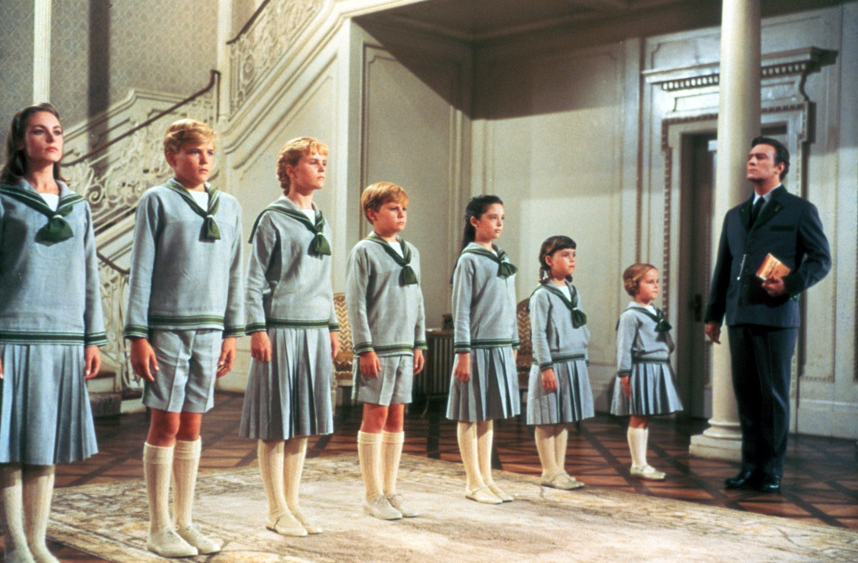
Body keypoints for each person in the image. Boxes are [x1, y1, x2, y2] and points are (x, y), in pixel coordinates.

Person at [125, 119, 244, 557]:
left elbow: (236, 270)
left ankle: (185, 521)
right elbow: (141, 269)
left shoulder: (229, 206)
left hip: (211, 329)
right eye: (194, 152)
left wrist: (232, 332)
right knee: (166, 423)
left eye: (209, 152)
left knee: (193, 425)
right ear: (171, 156)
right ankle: (158, 527)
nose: (204, 160)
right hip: (167, 328)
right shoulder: (157, 201)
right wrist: (138, 335)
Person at [0, 103, 106, 563]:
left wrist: (92, 338)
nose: (51, 139)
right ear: (20, 141)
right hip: (13, 335)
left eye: (57, 131)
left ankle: (38, 541)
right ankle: (14, 544)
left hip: (63, 338)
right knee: (9, 445)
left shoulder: (78, 205)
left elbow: (89, 273)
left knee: (45, 444)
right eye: (40, 131)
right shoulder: (4, 199)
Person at [705, 136, 830, 493]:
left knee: (772, 397)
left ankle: (771, 471)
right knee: (746, 396)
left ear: (780, 167)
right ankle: (750, 469)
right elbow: (724, 267)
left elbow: (821, 260)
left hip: (775, 316)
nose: (752, 161)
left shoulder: (799, 210)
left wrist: (791, 284)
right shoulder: (735, 215)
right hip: (739, 314)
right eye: (750, 156)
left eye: (761, 157)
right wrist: (714, 315)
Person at [240, 137, 338, 536]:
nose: (321, 168)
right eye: (313, 162)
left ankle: (292, 504)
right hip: (280, 329)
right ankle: (275, 509)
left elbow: (325, 280)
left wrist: (332, 325)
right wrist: (257, 329)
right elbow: (253, 281)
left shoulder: (321, 220)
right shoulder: (272, 218)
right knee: (276, 421)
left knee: (302, 422)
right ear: (291, 171)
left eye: (323, 162)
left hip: (314, 330)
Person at [346, 182, 426, 521]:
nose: (401, 214)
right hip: (377, 349)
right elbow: (355, 303)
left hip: (404, 349)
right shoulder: (364, 251)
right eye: (394, 209)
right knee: (375, 417)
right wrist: (365, 348)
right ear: (372, 213)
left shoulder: (412, 252)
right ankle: (372, 495)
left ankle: (390, 491)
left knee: (396, 418)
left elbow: (418, 300)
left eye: (404, 209)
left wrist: (419, 342)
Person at [446, 195, 519, 504]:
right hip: (476, 349)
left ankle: (487, 478)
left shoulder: (502, 257)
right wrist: (463, 354)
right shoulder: (469, 260)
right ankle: (473, 482)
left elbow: (510, 306)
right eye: (492, 217)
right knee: (469, 414)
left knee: (487, 414)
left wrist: (514, 343)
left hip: (500, 347)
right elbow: (461, 311)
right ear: (475, 221)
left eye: (502, 217)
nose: (499, 223)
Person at [527, 236, 594, 490]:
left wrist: (583, 357)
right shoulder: (542, 295)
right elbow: (538, 334)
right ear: (549, 260)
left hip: (573, 361)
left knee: (563, 417)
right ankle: (549, 471)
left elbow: (579, 326)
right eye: (565, 255)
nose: (572, 260)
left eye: (573, 255)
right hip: (552, 364)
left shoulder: (573, 291)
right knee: (547, 418)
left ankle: (560, 469)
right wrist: (546, 367)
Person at [610, 264, 682, 480]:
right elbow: (623, 348)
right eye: (650, 282)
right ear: (634, 286)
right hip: (640, 370)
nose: (656, 286)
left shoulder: (655, 312)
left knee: (644, 417)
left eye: (657, 282)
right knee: (638, 416)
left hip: (656, 368)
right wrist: (624, 376)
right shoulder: (631, 316)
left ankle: (642, 462)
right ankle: (638, 464)